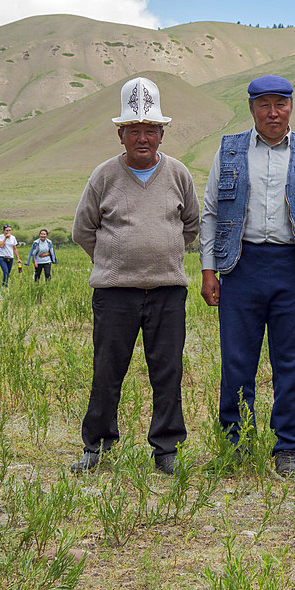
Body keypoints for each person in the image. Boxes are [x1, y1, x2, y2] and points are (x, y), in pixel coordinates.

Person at [200, 75, 295, 477]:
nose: (273, 113)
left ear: (291, 106)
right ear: (251, 108)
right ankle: (234, 444)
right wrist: (209, 270)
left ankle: (288, 448)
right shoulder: (229, 151)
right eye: (264, 105)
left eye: (281, 104)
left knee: (291, 364)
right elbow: (210, 212)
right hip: (241, 267)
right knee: (236, 362)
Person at [70, 76, 200, 475]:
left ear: (162, 134)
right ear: (120, 135)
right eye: (133, 131)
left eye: (150, 130)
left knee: (168, 372)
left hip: (167, 291)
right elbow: (83, 230)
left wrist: (163, 254)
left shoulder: (179, 174)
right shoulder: (104, 176)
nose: (142, 138)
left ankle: (166, 450)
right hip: (115, 293)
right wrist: (114, 261)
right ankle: (97, 445)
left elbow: (191, 225)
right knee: (107, 369)